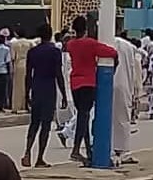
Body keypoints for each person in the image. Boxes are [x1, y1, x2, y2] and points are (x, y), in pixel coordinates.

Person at [63, 17, 117, 162]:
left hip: (74, 82)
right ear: (86, 29)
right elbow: (111, 52)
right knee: (84, 115)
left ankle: (87, 150)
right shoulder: (91, 44)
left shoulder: (71, 44)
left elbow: (65, 45)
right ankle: (76, 149)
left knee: (82, 116)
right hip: (88, 82)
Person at [24, 24, 69, 167]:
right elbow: (58, 74)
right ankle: (39, 158)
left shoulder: (32, 52)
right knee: (46, 125)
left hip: (36, 87)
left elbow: (28, 75)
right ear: (50, 35)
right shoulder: (55, 52)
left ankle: (27, 151)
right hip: (49, 89)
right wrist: (64, 94)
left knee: (34, 123)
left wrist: (26, 94)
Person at [112, 31, 139, 162]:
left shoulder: (105, 42)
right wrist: (135, 90)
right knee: (123, 118)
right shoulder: (130, 46)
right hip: (124, 84)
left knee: (106, 117)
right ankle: (123, 150)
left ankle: (110, 149)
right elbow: (134, 68)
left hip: (107, 83)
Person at [9, 30, 35, 114]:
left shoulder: (14, 44)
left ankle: (17, 106)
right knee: (26, 86)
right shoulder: (29, 43)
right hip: (28, 64)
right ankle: (26, 105)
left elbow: (12, 57)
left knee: (17, 87)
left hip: (18, 64)